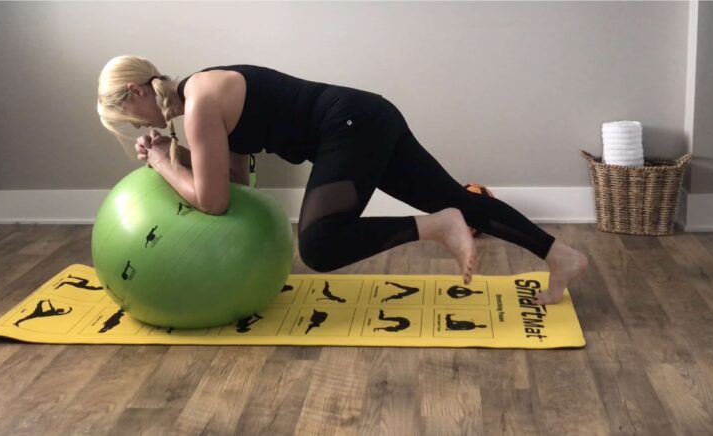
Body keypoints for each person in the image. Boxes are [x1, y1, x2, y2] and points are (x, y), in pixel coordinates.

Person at [96, 55, 588, 305]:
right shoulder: (202, 92)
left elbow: (214, 202)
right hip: (365, 116)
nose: (136, 128)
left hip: (348, 126)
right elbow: (235, 179)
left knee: (320, 246)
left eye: (126, 120)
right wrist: (177, 153)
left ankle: (436, 227)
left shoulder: (200, 104)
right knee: (453, 197)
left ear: (136, 93)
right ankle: (563, 257)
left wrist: (162, 163)